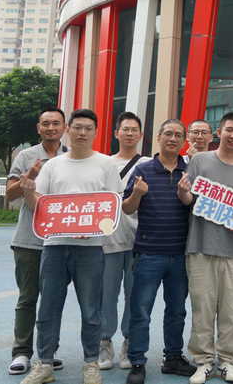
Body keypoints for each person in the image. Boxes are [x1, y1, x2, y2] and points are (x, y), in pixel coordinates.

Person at [19, 108, 124, 384]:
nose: (82, 133)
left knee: (91, 310)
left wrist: (89, 227)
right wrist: (28, 190)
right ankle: (44, 363)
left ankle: (91, 363)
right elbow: (39, 205)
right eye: (77, 127)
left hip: (90, 248)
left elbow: (112, 207)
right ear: (69, 130)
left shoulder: (106, 164)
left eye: (88, 128)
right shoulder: (53, 165)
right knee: (48, 308)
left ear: (96, 132)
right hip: (54, 246)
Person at [178, 112, 233, 384]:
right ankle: (203, 361)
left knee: (230, 311)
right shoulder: (200, 160)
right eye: (229, 130)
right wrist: (182, 191)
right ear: (219, 132)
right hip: (200, 248)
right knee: (202, 309)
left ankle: (227, 362)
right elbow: (188, 199)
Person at [121, 119, 196, 384]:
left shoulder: (191, 171)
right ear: (159, 138)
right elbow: (127, 208)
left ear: (184, 140)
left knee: (177, 310)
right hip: (148, 253)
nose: (173, 139)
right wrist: (137, 194)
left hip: (181, 254)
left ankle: (173, 357)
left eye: (178, 135)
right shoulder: (142, 170)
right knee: (141, 311)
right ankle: (137, 362)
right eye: (168, 134)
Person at [5, 107, 68, 376]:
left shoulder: (72, 156)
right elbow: (9, 195)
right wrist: (28, 177)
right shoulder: (26, 156)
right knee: (28, 297)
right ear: (38, 128)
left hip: (62, 241)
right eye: (45, 123)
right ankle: (21, 352)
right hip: (29, 241)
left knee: (54, 300)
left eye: (56, 123)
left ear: (65, 127)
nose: (51, 128)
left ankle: (48, 352)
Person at [100, 112, 149, 372]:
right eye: (125, 129)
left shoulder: (149, 164)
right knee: (105, 296)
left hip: (137, 243)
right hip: (106, 242)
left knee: (135, 298)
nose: (129, 133)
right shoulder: (102, 163)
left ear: (141, 135)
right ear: (116, 133)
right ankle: (103, 341)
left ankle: (130, 344)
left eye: (134, 130)